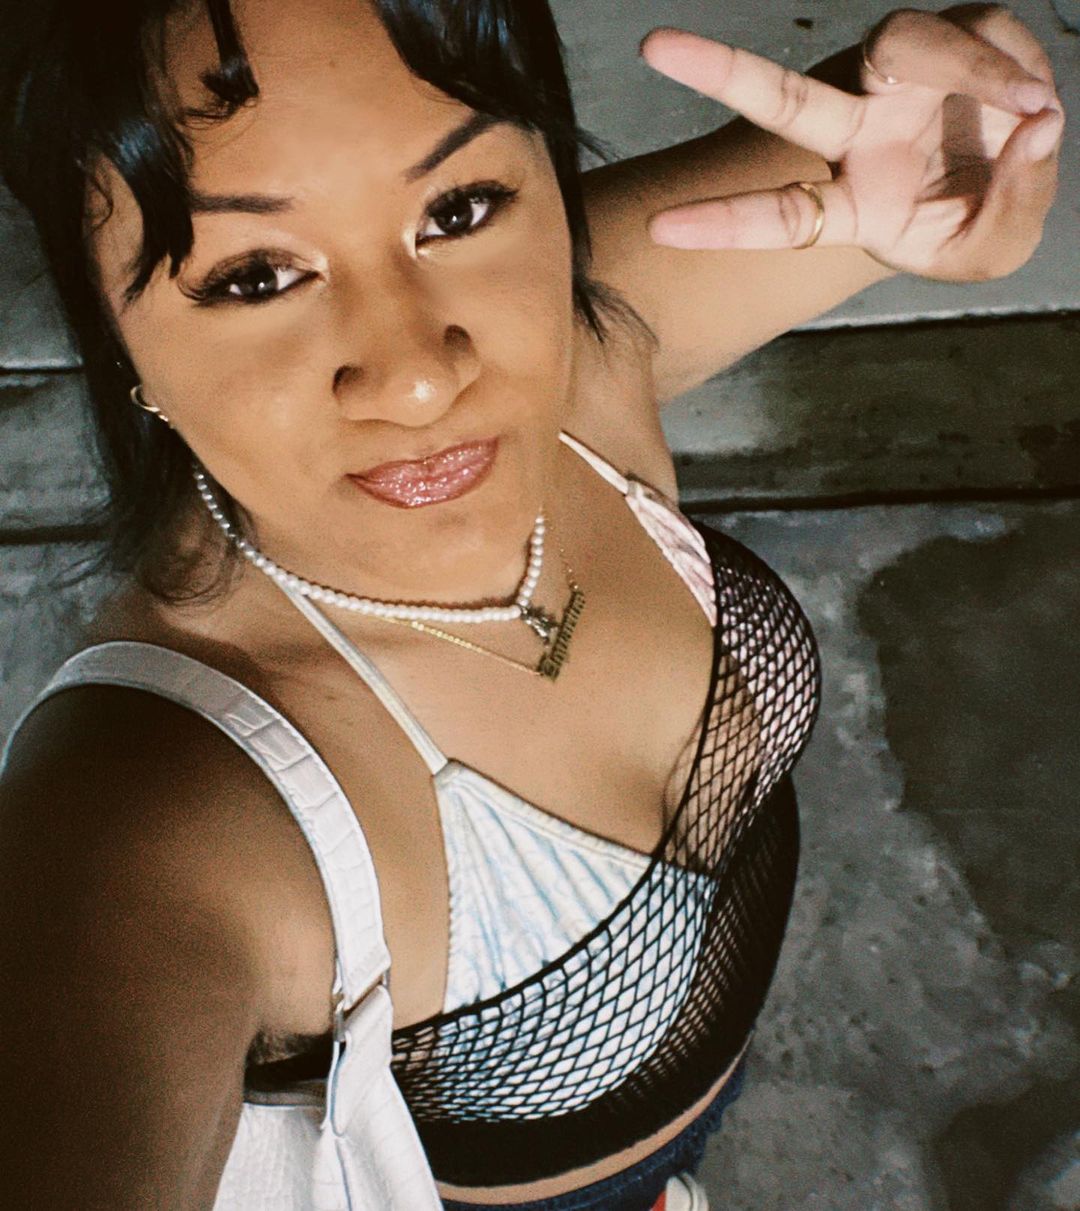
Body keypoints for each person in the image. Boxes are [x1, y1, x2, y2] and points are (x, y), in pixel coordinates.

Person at [0, 2, 1062, 1209]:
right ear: (114, 333)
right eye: (257, 276)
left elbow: (913, 156)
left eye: (457, 209)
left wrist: (972, 135)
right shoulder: (152, 815)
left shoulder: (589, 339)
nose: (419, 374)